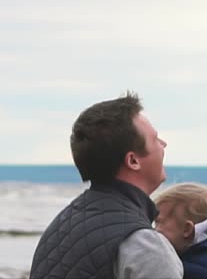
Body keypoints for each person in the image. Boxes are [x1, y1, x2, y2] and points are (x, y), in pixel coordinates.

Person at [30, 91, 183, 279]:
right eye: (155, 139)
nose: (163, 144)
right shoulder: (145, 246)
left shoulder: (61, 228)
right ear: (133, 161)